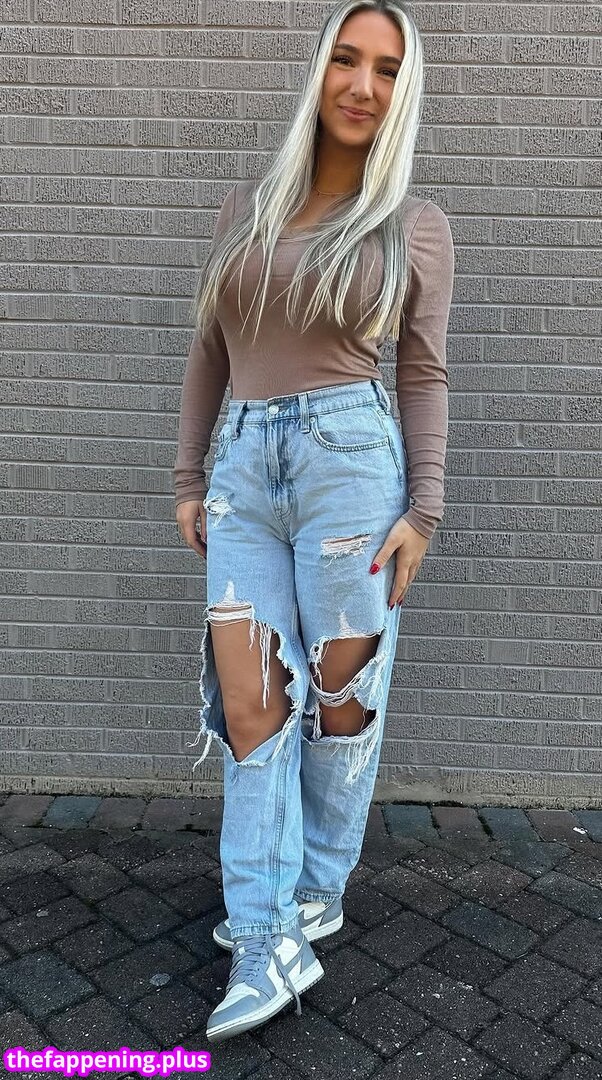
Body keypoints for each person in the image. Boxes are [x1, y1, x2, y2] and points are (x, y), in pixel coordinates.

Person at [173, 0, 454, 1045]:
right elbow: (210, 348)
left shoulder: (411, 225)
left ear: (401, 93)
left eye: (385, 70)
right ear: (319, 70)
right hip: (245, 473)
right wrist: (188, 477)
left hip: (351, 469)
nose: (361, 85)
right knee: (253, 704)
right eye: (346, 59)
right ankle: (263, 934)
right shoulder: (245, 209)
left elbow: (421, 372)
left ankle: (313, 894)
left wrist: (424, 510)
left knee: (340, 705)